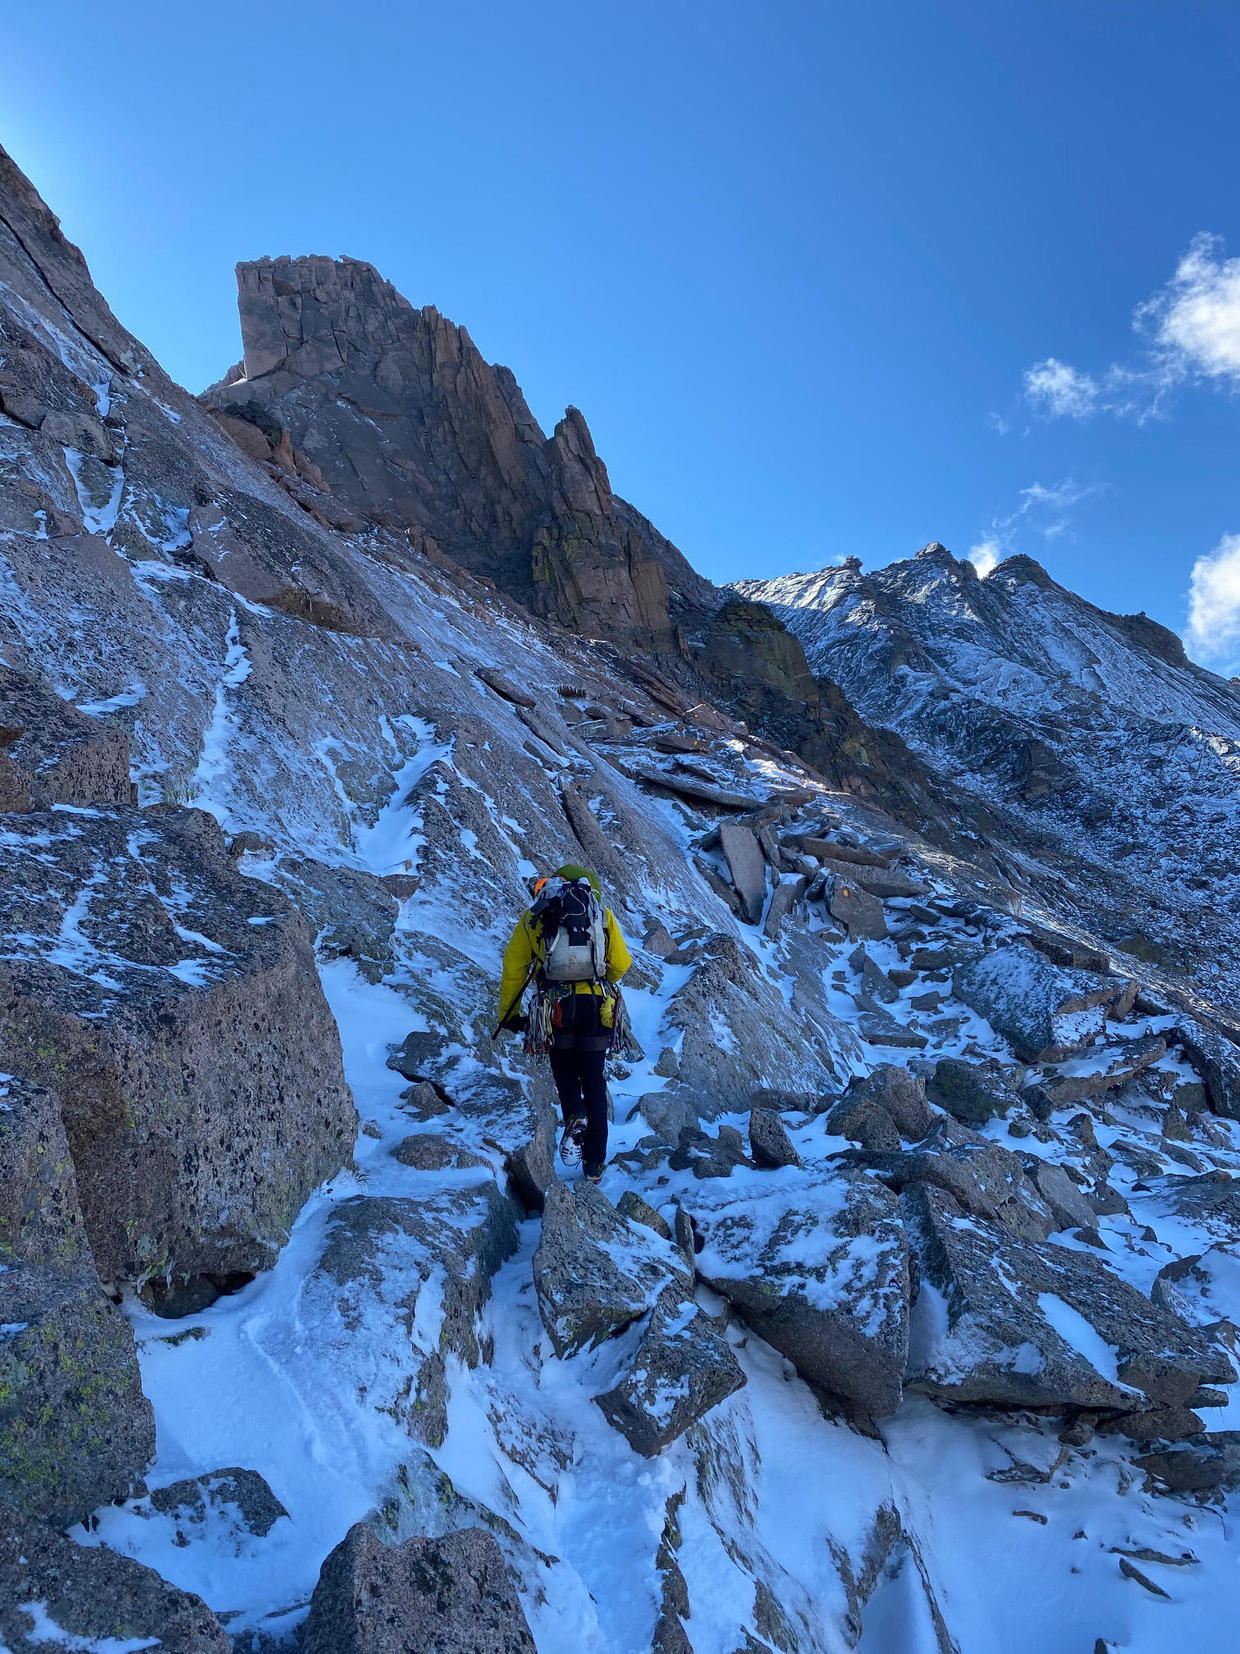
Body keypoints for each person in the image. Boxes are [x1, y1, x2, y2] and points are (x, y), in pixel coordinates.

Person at [496, 863, 631, 1183]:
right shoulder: (600, 913)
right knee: (594, 1080)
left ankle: (575, 1115)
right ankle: (594, 1165)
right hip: (597, 1006)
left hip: (554, 1008)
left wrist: (509, 1015)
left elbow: (514, 967)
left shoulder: (536, 916)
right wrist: (600, 977)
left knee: (566, 1072)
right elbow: (621, 965)